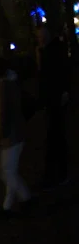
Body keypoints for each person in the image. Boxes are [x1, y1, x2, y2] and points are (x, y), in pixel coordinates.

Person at [0, 56, 30, 217]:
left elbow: (4, 113)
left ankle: (21, 199)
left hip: (11, 134)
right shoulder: (13, 82)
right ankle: (11, 204)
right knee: (10, 171)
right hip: (17, 131)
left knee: (6, 171)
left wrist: (2, 132)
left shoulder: (4, 86)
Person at [36, 22, 71, 188]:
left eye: (42, 37)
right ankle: (55, 173)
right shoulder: (48, 51)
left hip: (55, 98)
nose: (40, 39)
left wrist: (64, 90)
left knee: (56, 136)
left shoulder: (53, 51)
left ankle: (58, 173)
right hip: (52, 99)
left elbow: (58, 72)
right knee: (53, 136)